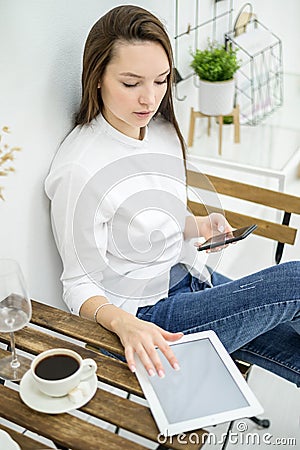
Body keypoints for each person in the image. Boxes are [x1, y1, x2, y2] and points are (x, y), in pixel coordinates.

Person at [45, 5, 300, 386]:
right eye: (131, 84)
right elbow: (77, 285)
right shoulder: (80, 168)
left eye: (161, 81)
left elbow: (152, 220)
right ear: (96, 77)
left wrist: (200, 224)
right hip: (150, 316)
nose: (149, 99)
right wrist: (126, 326)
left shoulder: (161, 129)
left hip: (193, 280)